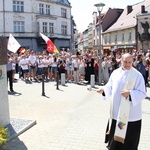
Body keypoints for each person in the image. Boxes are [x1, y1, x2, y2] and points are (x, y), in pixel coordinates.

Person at [97, 53, 147, 150]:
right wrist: (103, 90)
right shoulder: (115, 73)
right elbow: (110, 87)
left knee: (129, 145)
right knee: (115, 145)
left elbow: (142, 93)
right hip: (116, 114)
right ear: (121, 61)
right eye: (125, 62)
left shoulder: (137, 75)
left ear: (133, 62)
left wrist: (130, 93)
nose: (127, 64)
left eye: (129, 62)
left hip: (131, 117)